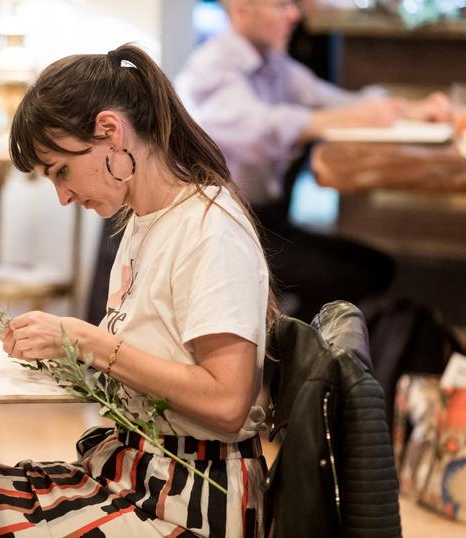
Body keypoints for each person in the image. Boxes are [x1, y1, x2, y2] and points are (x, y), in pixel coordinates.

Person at [0, 43, 275, 538]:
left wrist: (87, 342)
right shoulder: (143, 224)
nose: (64, 196)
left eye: (61, 171)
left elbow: (228, 402)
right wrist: (58, 351)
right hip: (140, 476)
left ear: (111, 132)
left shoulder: (209, 229)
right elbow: (144, 364)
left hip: (193, 504)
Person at [175, 0, 451, 321]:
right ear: (241, 10)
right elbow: (260, 131)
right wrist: (337, 119)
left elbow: (343, 102)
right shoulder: (212, 66)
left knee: (377, 267)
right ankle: (290, 356)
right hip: (219, 231)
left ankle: (302, 351)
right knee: (355, 275)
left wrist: (411, 110)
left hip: (261, 221)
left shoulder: (275, 66)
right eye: (280, 6)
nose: (294, 15)